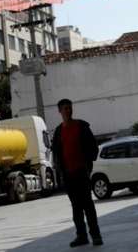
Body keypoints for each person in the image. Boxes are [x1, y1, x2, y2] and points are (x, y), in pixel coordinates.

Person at [52, 98, 103, 247]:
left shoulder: (81, 126)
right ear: (60, 111)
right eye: (65, 108)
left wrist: (88, 165)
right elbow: (56, 153)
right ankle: (81, 236)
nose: (68, 110)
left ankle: (96, 235)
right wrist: (60, 172)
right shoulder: (58, 131)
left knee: (88, 205)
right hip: (68, 175)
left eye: (70, 108)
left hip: (82, 172)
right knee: (76, 207)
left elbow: (93, 147)